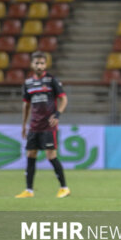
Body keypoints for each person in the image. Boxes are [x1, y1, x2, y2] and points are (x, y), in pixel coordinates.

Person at [16, 51, 70, 198]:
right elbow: (26, 105)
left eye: (42, 63)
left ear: (45, 64)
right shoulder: (28, 83)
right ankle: (29, 190)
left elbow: (63, 99)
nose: (39, 65)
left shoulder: (51, 80)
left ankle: (64, 187)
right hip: (34, 125)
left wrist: (57, 114)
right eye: (36, 63)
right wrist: (24, 125)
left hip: (48, 125)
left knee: (51, 155)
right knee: (30, 154)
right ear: (32, 64)